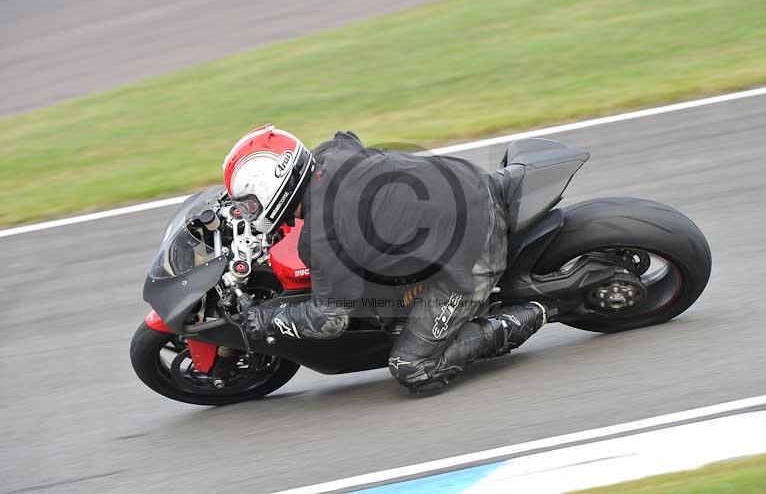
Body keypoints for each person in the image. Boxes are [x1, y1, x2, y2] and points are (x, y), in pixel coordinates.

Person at [222, 124, 547, 393]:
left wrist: (265, 320)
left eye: (251, 203)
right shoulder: (329, 154)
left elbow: (329, 320)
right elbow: (348, 136)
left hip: (478, 243)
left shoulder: (324, 235)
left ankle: (524, 317)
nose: (249, 211)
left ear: (276, 187)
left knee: (413, 368)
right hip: (468, 185)